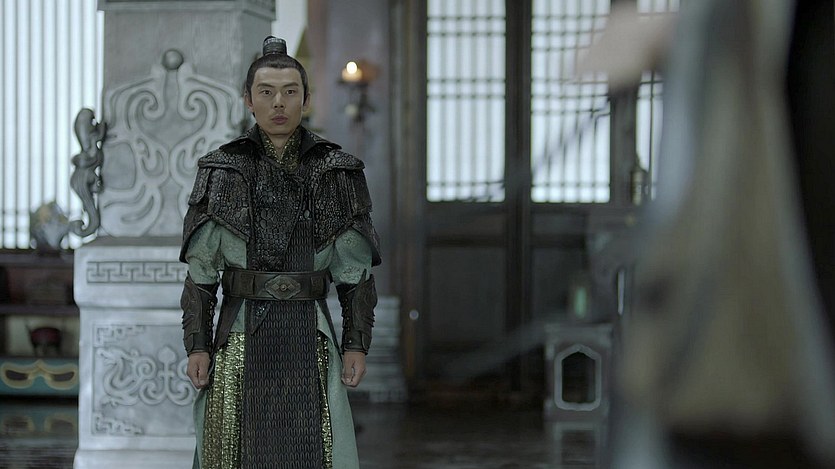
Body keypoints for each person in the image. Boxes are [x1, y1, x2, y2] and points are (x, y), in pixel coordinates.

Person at [179, 36, 381, 468]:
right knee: (233, 450)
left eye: (290, 92)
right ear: (248, 100)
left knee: (313, 448)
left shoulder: (335, 171)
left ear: (306, 99)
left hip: (311, 335)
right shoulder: (222, 170)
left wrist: (356, 344)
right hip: (238, 335)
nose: (278, 103)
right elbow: (201, 277)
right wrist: (197, 346)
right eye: (266, 92)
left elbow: (355, 276)